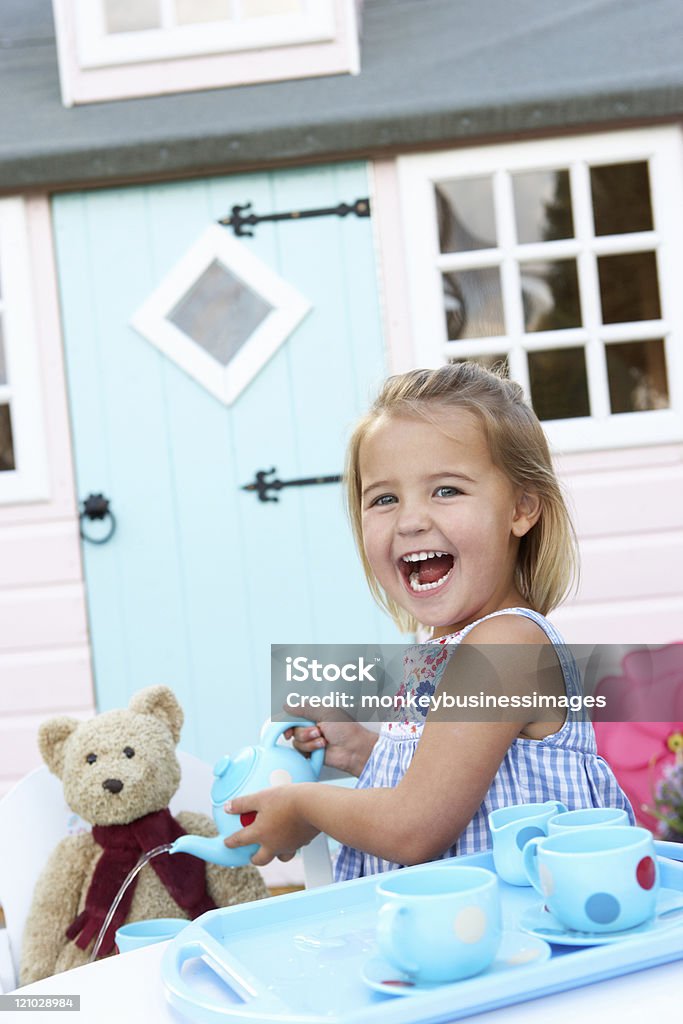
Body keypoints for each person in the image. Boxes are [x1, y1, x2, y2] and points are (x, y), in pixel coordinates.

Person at [225, 362, 634, 877]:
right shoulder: (451, 647)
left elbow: (414, 827)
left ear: (522, 508)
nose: (411, 520)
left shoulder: (505, 646)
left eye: (446, 490)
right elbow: (455, 782)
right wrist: (365, 754)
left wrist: (305, 806)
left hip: (519, 941)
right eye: (385, 498)